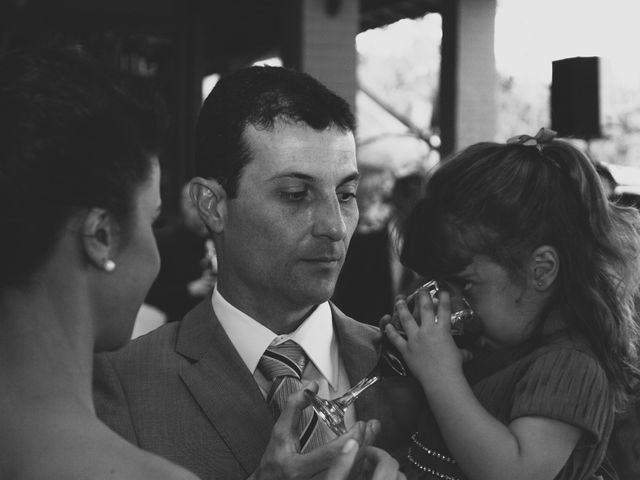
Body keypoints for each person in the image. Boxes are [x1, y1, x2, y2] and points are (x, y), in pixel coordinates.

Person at [0, 47, 402, 480]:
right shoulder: (117, 386)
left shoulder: (418, 368)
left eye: (346, 195)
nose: (335, 227)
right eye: (295, 194)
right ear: (211, 205)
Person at [384, 128, 640, 480]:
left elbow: (515, 472)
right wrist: (403, 365)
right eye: (442, 285)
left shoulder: (570, 366)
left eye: (465, 284)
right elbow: (415, 432)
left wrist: (440, 376)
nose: (450, 302)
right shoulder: (491, 350)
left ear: (541, 270)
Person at [145, 181, 217, 323]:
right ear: (181, 206)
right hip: (180, 326)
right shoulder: (166, 243)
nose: (201, 212)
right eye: (192, 205)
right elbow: (151, 294)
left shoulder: (222, 239)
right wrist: (189, 290)